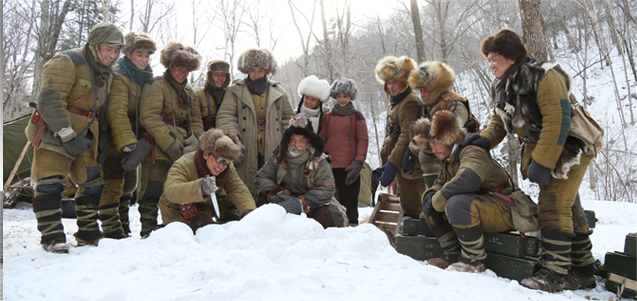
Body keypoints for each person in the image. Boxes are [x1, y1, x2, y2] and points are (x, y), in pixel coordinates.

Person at [479, 28, 596, 292]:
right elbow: (499, 120)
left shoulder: (544, 75)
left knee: (553, 205)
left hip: (571, 145)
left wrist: (542, 163)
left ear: (510, 57)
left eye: (494, 58)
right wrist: (482, 140)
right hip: (549, 146)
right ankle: (583, 268)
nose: (490, 64)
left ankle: (554, 273)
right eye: (488, 59)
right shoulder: (503, 84)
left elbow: (558, 119)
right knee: (569, 207)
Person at [25, 23, 124, 252]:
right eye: (108, 48)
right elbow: (49, 101)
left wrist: (105, 135)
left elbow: (101, 107)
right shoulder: (67, 61)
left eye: (117, 50)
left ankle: (88, 234)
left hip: (87, 134)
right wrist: (67, 135)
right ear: (94, 45)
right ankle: (52, 237)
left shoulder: (107, 73)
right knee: (50, 184)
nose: (112, 55)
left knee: (92, 184)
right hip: (54, 131)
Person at [413, 110, 518, 273]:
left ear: (447, 137)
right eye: (430, 145)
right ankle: (453, 255)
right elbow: (441, 183)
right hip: (483, 206)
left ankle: (474, 260)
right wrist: (430, 197)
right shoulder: (449, 159)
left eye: (435, 143)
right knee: (431, 202)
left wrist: (437, 199)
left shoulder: (471, 150)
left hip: (505, 208)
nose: (432, 149)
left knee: (456, 203)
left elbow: (468, 179)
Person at [138, 41, 203, 238]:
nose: (182, 73)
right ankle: (147, 229)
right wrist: (172, 146)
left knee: (179, 188)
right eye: (179, 68)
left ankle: (174, 226)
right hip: (157, 147)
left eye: (186, 69)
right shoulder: (156, 85)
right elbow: (149, 117)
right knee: (153, 187)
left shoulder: (190, 93)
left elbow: (196, 121)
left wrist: (194, 142)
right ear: (169, 66)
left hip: (184, 147)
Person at [99, 32, 156, 239]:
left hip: (134, 141)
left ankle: (123, 224)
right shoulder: (120, 76)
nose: (143, 60)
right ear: (129, 54)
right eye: (139, 54)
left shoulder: (146, 79)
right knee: (113, 184)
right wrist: (126, 142)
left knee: (129, 185)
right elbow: (116, 111)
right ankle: (111, 229)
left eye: (147, 55)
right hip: (116, 138)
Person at [217, 48, 294, 195]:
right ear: (246, 70)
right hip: (245, 142)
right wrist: (232, 137)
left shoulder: (278, 91)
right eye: (252, 71)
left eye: (260, 70)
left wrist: (288, 140)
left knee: (271, 182)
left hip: (273, 142)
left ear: (267, 70)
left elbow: (287, 117)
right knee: (244, 182)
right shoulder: (235, 90)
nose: (256, 75)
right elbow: (226, 116)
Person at [254, 113, 347, 228]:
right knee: (262, 204)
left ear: (309, 142)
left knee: (328, 215)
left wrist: (301, 203)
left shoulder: (319, 160)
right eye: (292, 139)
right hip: (284, 198)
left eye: (302, 141)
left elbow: (326, 189)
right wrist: (275, 194)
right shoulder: (279, 155)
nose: (296, 145)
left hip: (312, 203)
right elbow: (263, 176)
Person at [159, 129, 256, 233]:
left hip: (206, 209)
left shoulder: (228, 168)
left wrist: (249, 212)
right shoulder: (184, 165)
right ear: (206, 154)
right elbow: (171, 191)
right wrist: (201, 188)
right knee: (210, 232)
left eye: (226, 162)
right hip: (178, 212)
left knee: (233, 206)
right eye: (218, 159)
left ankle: (226, 223)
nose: (221, 166)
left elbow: (237, 188)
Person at [407, 61, 477, 189]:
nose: (422, 94)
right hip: (445, 155)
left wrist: (423, 138)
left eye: (426, 90)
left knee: (426, 155)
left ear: (436, 89)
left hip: (462, 156)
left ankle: (436, 195)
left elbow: (450, 139)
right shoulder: (430, 106)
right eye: (420, 91)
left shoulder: (454, 104)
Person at [374, 56, 426, 218]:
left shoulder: (410, 101)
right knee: (407, 204)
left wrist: (392, 164)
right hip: (400, 163)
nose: (391, 87)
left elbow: (406, 136)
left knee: (416, 206)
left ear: (404, 82)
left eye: (395, 82)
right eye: (388, 83)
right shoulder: (396, 102)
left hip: (410, 165)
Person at [319, 77, 368, 226]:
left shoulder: (356, 116)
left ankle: (352, 230)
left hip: (350, 168)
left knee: (350, 205)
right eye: (339, 96)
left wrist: (358, 162)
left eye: (345, 96)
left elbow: (363, 140)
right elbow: (320, 139)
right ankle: (334, 229)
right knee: (333, 204)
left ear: (350, 97)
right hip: (331, 168)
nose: (341, 99)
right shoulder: (328, 117)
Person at [196, 60, 232, 130]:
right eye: (216, 74)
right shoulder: (198, 94)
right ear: (210, 76)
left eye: (223, 75)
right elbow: (194, 121)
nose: (220, 78)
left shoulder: (230, 94)